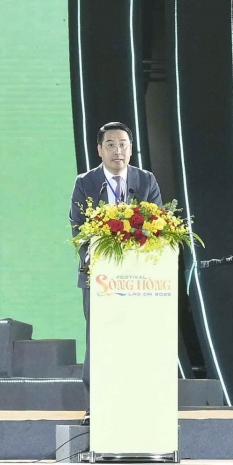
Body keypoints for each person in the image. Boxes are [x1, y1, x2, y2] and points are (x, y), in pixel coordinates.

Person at [68, 122, 163, 392]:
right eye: (110, 145)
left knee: (136, 339)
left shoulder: (146, 180)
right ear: (100, 150)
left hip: (139, 280)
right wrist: (97, 260)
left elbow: (159, 225)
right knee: (99, 340)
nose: (117, 150)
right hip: (98, 278)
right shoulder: (86, 183)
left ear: (131, 149)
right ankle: (96, 402)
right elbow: (78, 228)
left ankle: (136, 397)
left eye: (123, 144)